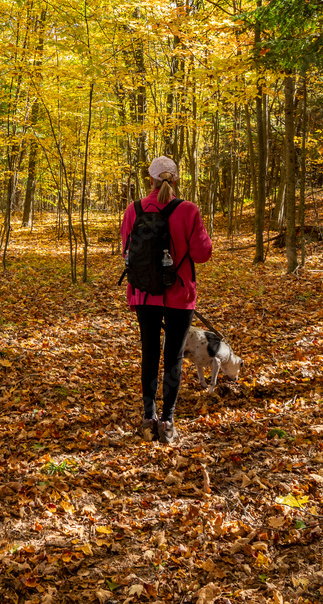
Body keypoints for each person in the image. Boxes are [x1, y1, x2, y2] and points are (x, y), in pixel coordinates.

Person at [121, 156, 212, 444]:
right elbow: (202, 254)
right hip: (179, 294)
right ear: (175, 180)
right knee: (173, 356)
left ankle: (149, 416)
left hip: (144, 293)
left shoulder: (133, 209)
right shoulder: (188, 210)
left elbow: (126, 252)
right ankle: (168, 421)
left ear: (149, 179)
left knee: (149, 352)